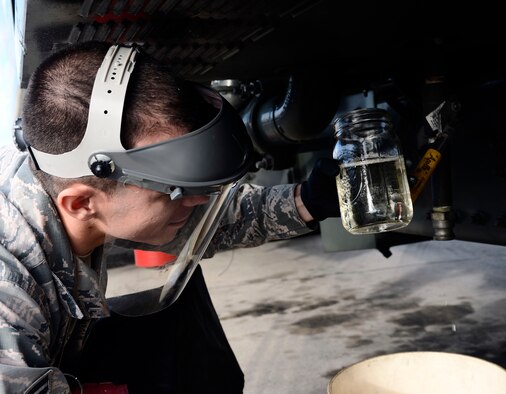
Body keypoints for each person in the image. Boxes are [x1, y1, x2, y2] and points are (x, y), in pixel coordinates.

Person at [0, 41, 340, 393]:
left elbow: (208, 221)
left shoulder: (62, 177)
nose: (197, 200)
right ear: (82, 204)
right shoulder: (7, 294)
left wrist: (309, 200)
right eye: (173, 191)